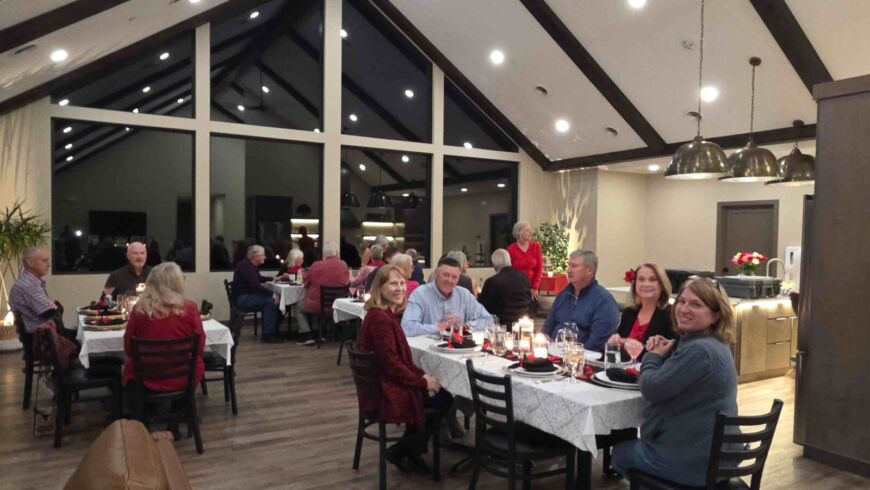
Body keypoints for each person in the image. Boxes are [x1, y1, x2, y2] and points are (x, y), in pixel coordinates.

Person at [612, 277, 738, 487]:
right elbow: (676, 377)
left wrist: (652, 356)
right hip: (718, 454)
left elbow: (651, 389)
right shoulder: (715, 343)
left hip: (696, 462)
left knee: (621, 453)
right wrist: (666, 353)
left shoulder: (700, 350)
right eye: (681, 301)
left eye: (696, 304)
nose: (684, 309)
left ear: (716, 315)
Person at [358, 265, 453, 473]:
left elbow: (398, 361)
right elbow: (391, 365)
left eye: (401, 283)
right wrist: (422, 381)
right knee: (444, 398)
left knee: (437, 393)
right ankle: (403, 451)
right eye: (393, 284)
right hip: (383, 391)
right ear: (380, 288)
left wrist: (422, 376)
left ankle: (410, 451)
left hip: (382, 383)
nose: (400, 288)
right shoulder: (380, 319)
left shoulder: (383, 315)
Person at [122, 262, 205, 439]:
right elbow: (200, 346)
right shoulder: (189, 309)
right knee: (196, 364)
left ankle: (145, 417)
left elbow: (129, 348)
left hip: (146, 376)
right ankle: (173, 423)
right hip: (182, 377)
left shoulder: (139, 310)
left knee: (129, 369)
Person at [541, 249, 618, 352]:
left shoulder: (604, 301)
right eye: (569, 266)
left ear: (589, 270)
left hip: (583, 360)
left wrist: (572, 356)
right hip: (552, 355)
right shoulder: (563, 295)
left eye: (574, 266)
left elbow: (596, 344)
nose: (569, 270)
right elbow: (547, 329)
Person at [402, 257, 492, 338]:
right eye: (446, 275)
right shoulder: (420, 294)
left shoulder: (464, 295)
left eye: (454, 277)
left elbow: (488, 319)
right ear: (436, 274)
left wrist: (465, 326)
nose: (450, 280)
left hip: (459, 350)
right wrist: (440, 327)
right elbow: (407, 328)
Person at [9, 246, 77, 343]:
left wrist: (55, 307)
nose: (48, 265)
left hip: (42, 333)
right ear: (30, 263)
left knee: (82, 333)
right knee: (85, 338)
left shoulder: (31, 281)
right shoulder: (29, 285)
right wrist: (56, 307)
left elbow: (52, 309)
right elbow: (50, 312)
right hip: (41, 338)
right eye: (44, 261)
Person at [607, 263, 675, 358]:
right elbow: (615, 353)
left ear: (662, 285)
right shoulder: (629, 313)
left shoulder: (671, 315)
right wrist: (613, 343)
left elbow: (669, 355)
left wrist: (632, 345)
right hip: (624, 370)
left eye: (652, 280)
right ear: (635, 285)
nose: (646, 284)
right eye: (641, 279)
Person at [295, 241, 350, 346]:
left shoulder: (316, 265)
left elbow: (305, 282)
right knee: (320, 307)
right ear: (337, 253)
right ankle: (323, 333)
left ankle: (306, 335)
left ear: (324, 254)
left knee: (298, 306)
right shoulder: (344, 265)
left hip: (318, 305)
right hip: (337, 305)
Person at [232, 245, 283, 343]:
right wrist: (271, 294)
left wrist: (273, 278)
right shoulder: (246, 267)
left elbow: (258, 279)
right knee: (270, 301)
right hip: (243, 299)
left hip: (245, 296)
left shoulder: (249, 265)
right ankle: (268, 334)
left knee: (273, 300)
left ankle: (273, 330)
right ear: (256, 256)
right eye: (263, 255)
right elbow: (255, 286)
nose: (265, 257)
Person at [477, 249, 531, 327]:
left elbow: (482, 308)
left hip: (501, 326)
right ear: (510, 261)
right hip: (523, 323)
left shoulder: (493, 281)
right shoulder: (524, 278)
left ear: (494, 265)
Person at [507, 221, 543, 301]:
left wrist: (535, 287)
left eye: (530, 230)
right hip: (516, 288)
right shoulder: (511, 249)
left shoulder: (536, 247)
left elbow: (539, 268)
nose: (530, 232)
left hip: (533, 287)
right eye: (527, 230)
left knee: (532, 311)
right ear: (519, 232)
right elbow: (508, 271)